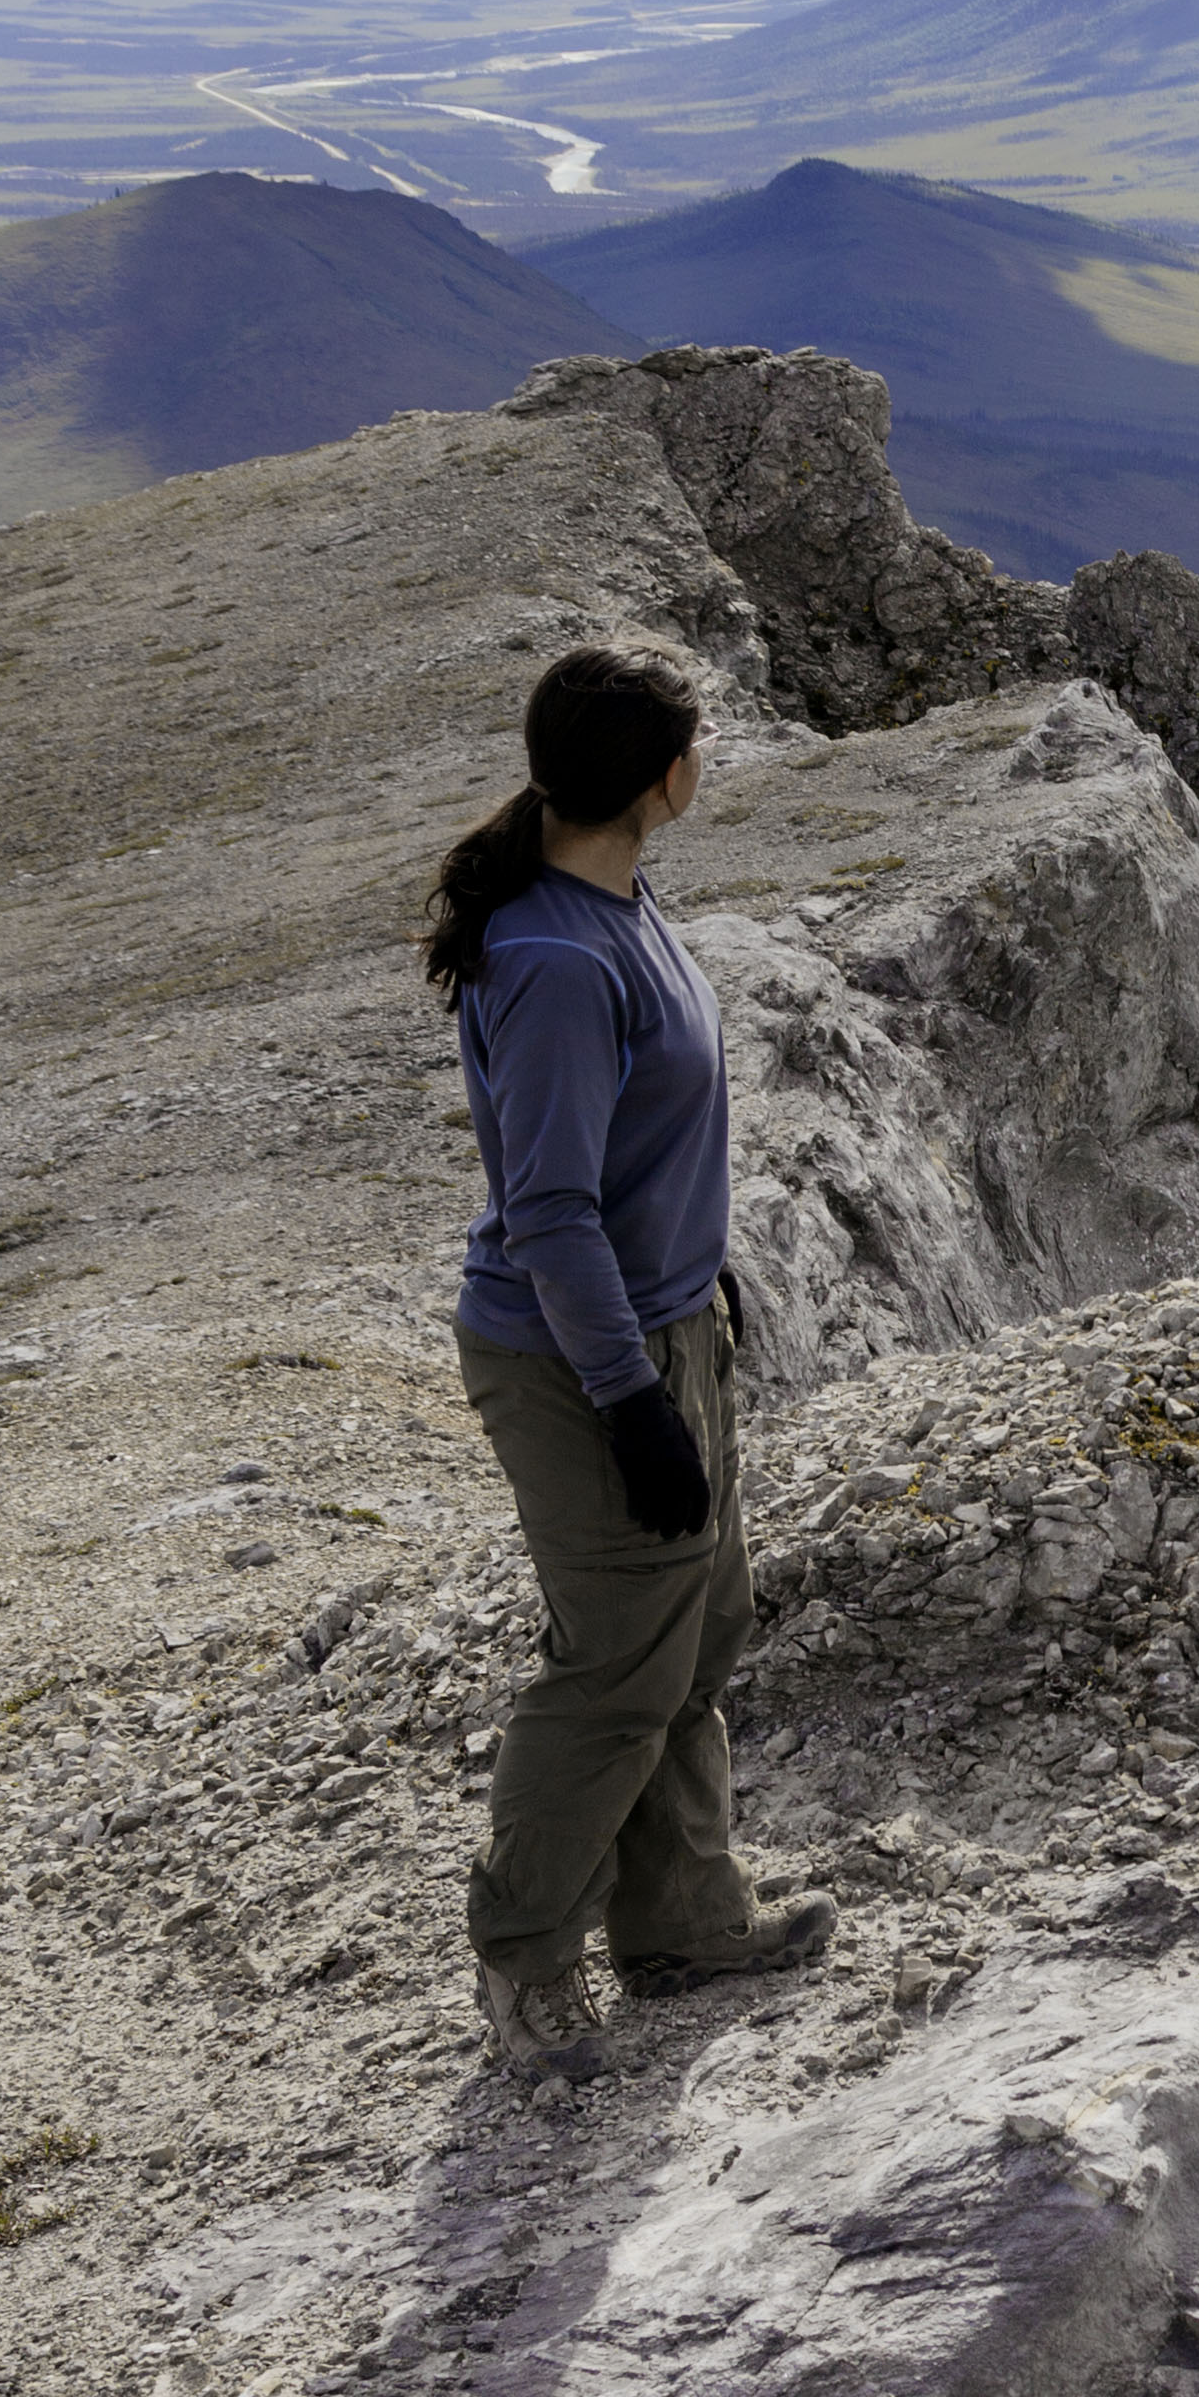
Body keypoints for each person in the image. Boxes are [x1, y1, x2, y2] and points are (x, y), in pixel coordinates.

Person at [419, 645, 833, 2081]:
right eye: (695, 745)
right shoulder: (548, 959)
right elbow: (547, 1215)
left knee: (695, 1629)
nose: (701, 764)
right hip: (579, 1354)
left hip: (664, 1328)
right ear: (661, 778)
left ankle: (682, 1923)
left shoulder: (609, 899)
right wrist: (631, 1402)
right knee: (613, 1667)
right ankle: (524, 1966)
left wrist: (696, 1311)